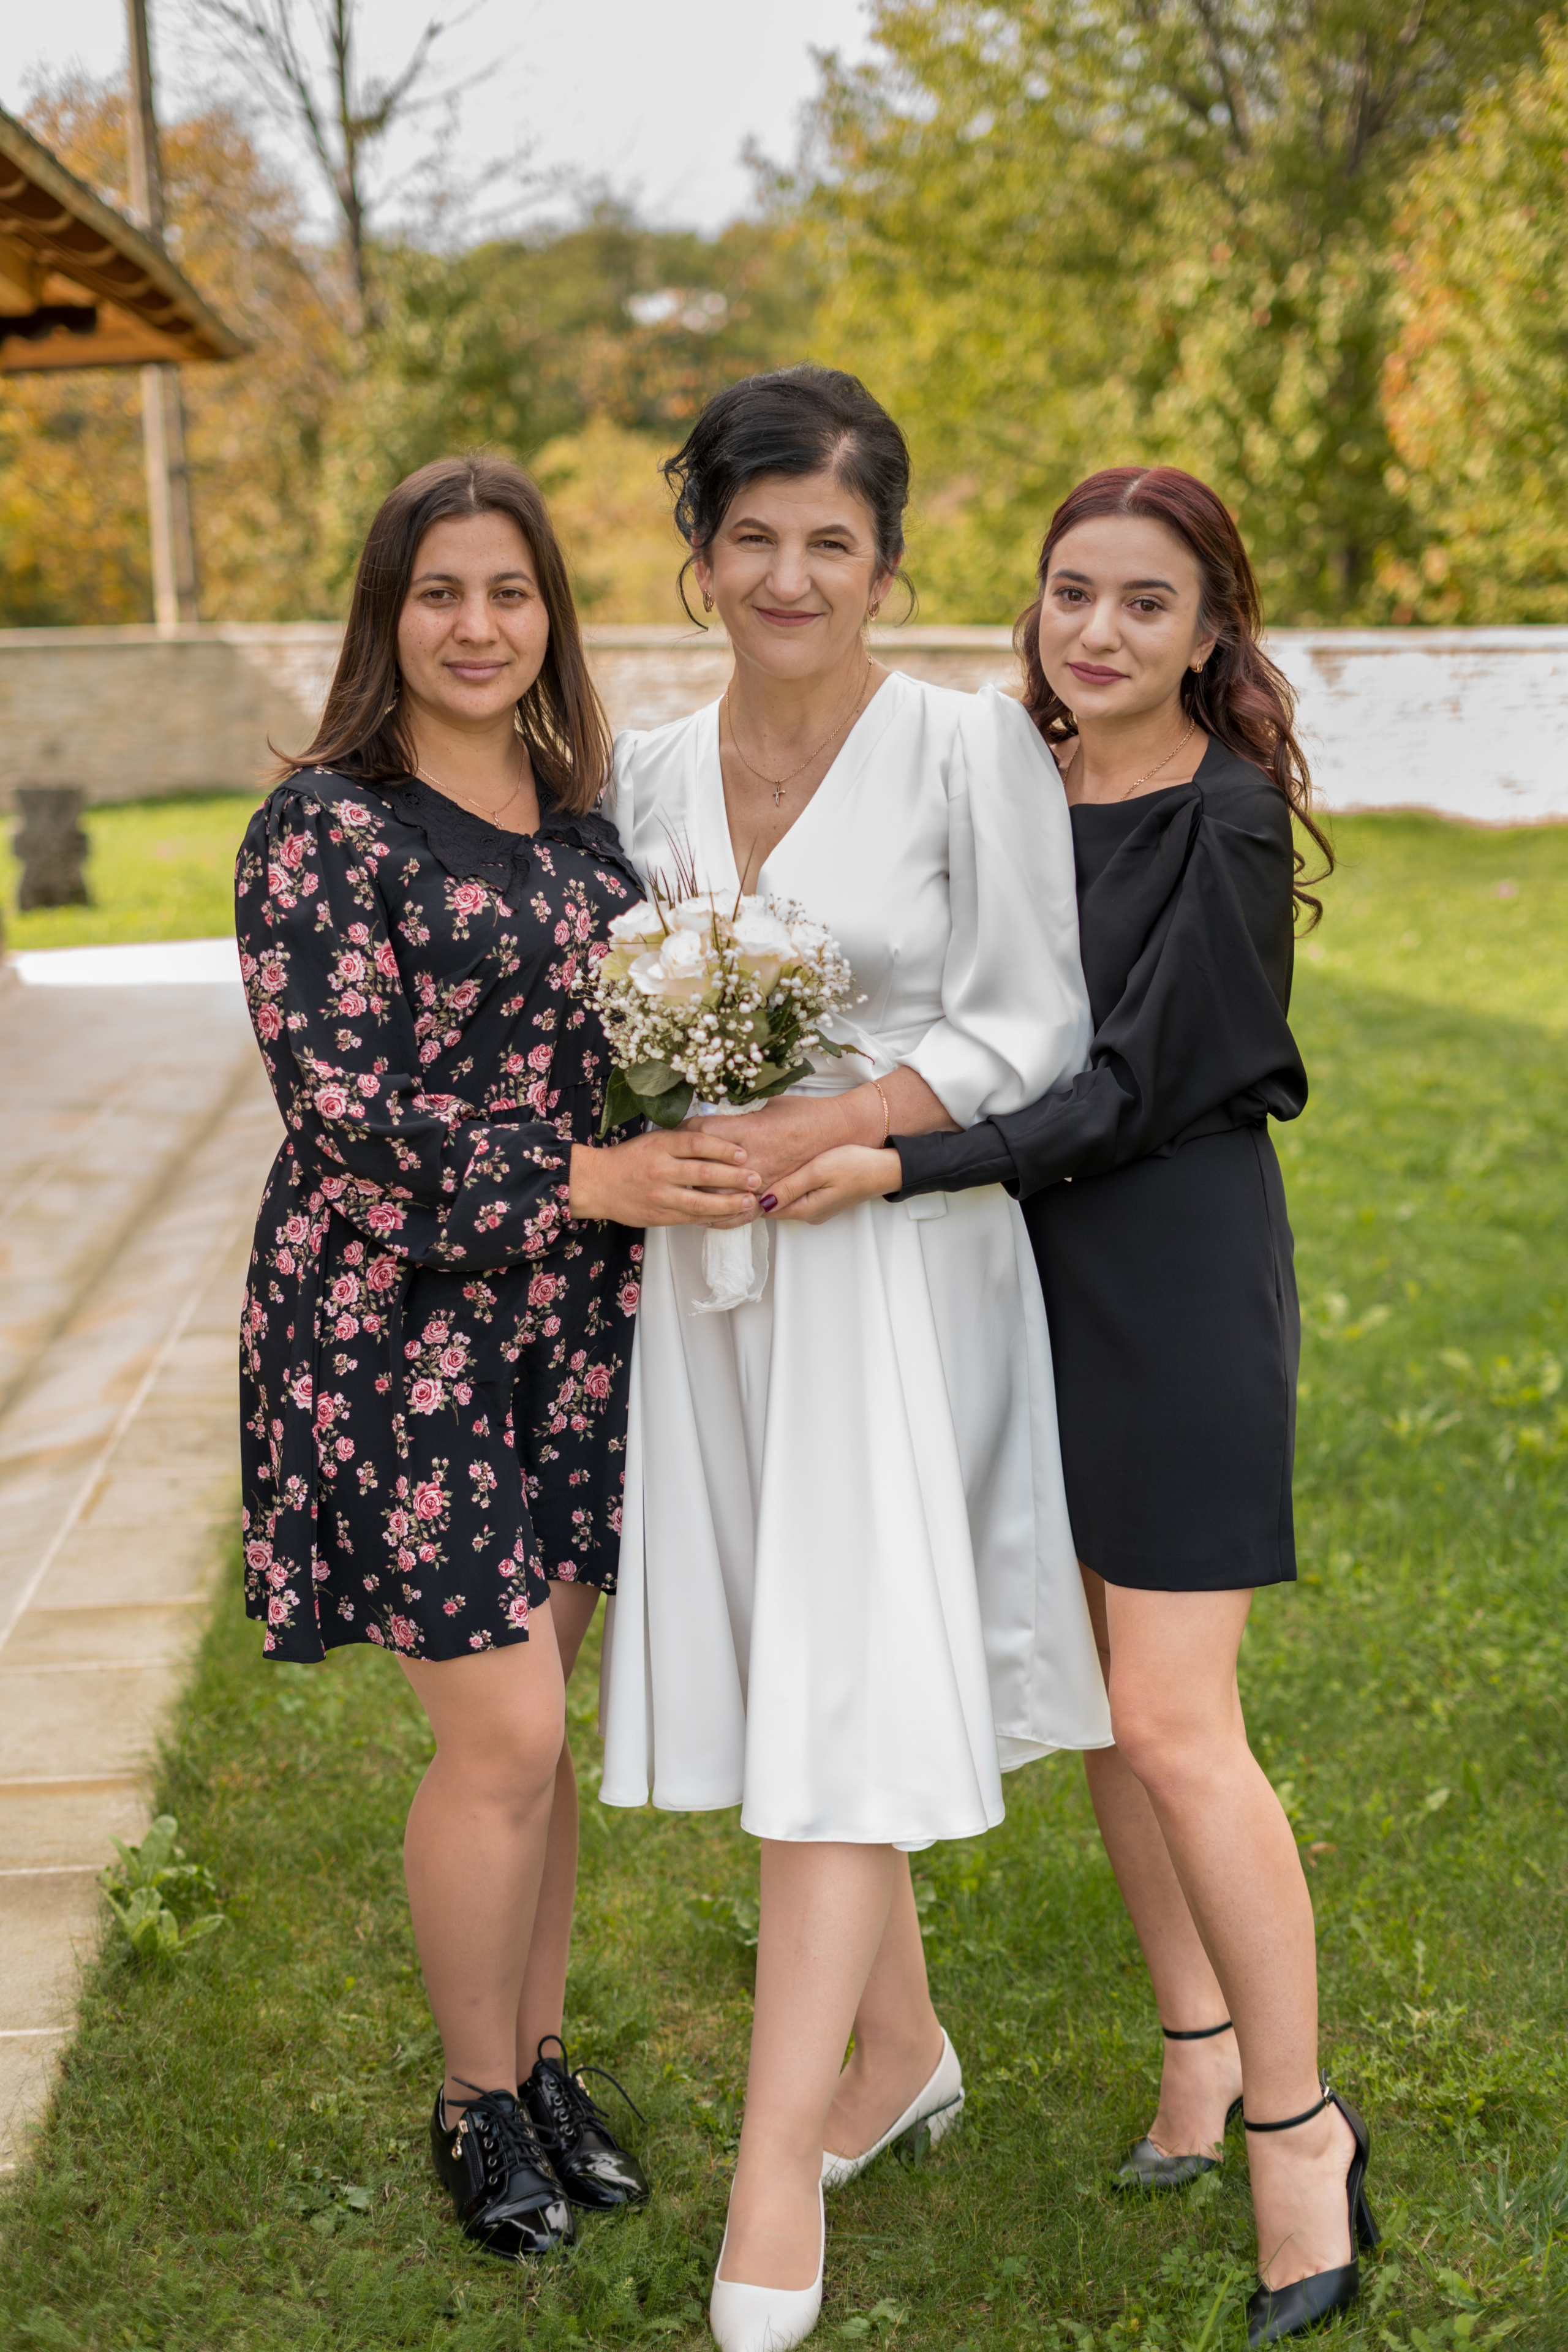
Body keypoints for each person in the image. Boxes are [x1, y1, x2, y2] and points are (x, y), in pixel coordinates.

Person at [764, 465, 1376, 2349]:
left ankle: (1302, 2133)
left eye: (1145, 602)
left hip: (1170, 1279)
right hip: (1014, 1283)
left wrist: (898, 1166)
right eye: (1072, 592)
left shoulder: (1226, 815)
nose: (1097, 631)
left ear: (1210, 631)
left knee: (1182, 1721)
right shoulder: (1001, 779)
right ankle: (1196, 2050)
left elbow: (1120, 1087)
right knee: (1110, 1711)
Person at [595, 366, 1111, 2352]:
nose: (790, 577)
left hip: (893, 1269)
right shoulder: (645, 774)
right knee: (798, 1664)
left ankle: (769, 2174)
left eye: (832, 542)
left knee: (834, 1680)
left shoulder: (969, 747)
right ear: (701, 554)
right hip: (713, 1289)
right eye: (754, 538)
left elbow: (1032, 1021)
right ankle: (899, 2056)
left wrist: (841, 1123)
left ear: (888, 563)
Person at [235, 455, 761, 2263]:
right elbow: (343, 1113)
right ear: (387, 614)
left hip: (572, 1327)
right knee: (508, 1729)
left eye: (511, 591)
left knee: (539, 1735)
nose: (478, 626)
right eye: (441, 591)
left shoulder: (587, 826)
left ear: (552, 613)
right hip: (392, 1320)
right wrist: (591, 1177)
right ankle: (472, 2101)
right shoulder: (323, 828)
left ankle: (538, 2063)